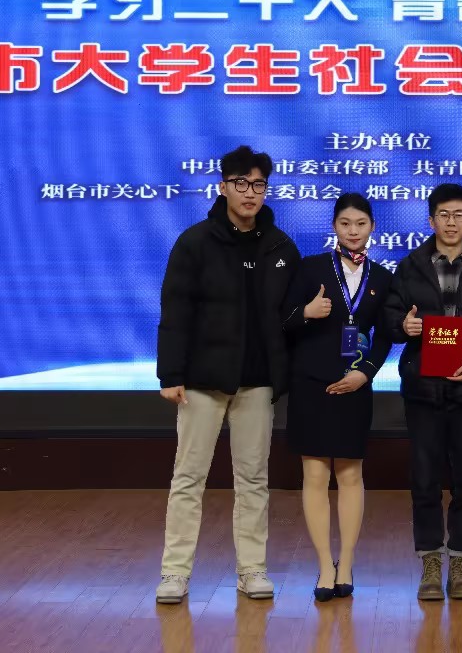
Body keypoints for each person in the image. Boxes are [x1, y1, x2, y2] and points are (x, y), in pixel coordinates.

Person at [155, 145, 302, 604]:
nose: (250, 193)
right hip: (201, 381)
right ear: (223, 187)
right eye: (241, 183)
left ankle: (252, 569)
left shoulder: (280, 246)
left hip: (257, 382)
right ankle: (174, 573)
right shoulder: (195, 242)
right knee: (188, 478)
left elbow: (288, 317)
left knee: (253, 479)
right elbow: (175, 312)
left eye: (258, 184)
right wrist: (170, 373)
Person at [384, 183, 462, 601]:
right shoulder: (410, 266)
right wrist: (403, 326)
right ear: (431, 220)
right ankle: (429, 562)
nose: (451, 222)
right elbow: (390, 315)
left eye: (459, 215)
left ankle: (459, 562)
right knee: (424, 479)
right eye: (443, 214)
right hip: (423, 389)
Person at [282, 194, 392, 602]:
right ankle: (324, 565)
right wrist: (306, 313)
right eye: (345, 223)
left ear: (372, 227)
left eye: (360, 223)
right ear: (334, 227)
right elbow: (282, 319)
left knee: (350, 476)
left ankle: (346, 564)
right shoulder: (310, 268)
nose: (353, 231)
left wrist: (366, 373)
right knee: (314, 476)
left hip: (354, 386)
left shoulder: (382, 277)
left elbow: (386, 336)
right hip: (311, 384)